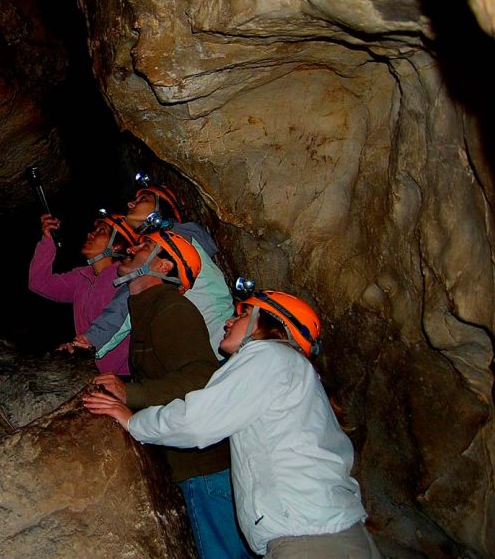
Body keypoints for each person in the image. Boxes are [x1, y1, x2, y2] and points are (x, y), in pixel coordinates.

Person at [84, 287, 379, 558]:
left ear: (268, 324)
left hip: (312, 541)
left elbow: (198, 420)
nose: (228, 321)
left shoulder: (268, 356)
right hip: (329, 534)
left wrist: (133, 421)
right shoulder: (292, 371)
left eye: (243, 314)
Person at [91, 232, 252, 559]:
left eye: (146, 246)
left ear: (163, 265)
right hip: (193, 469)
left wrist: (129, 393)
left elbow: (200, 378)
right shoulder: (148, 310)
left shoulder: (172, 309)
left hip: (206, 471)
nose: (132, 247)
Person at [72, 180, 236, 372]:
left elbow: (129, 301)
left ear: (162, 209)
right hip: (209, 352)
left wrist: (90, 341)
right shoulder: (179, 241)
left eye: (143, 199)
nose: (130, 204)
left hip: (211, 354)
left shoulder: (170, 243)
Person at [27, 211, 140, 374]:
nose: (90, 234)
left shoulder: (126, 281)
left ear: (116, 246)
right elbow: (39, 282)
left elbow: (115, 325)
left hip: (119, 376)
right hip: (87, 368)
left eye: (102, 231)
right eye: (95, 230)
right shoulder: (81, 276)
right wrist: (48, 240)